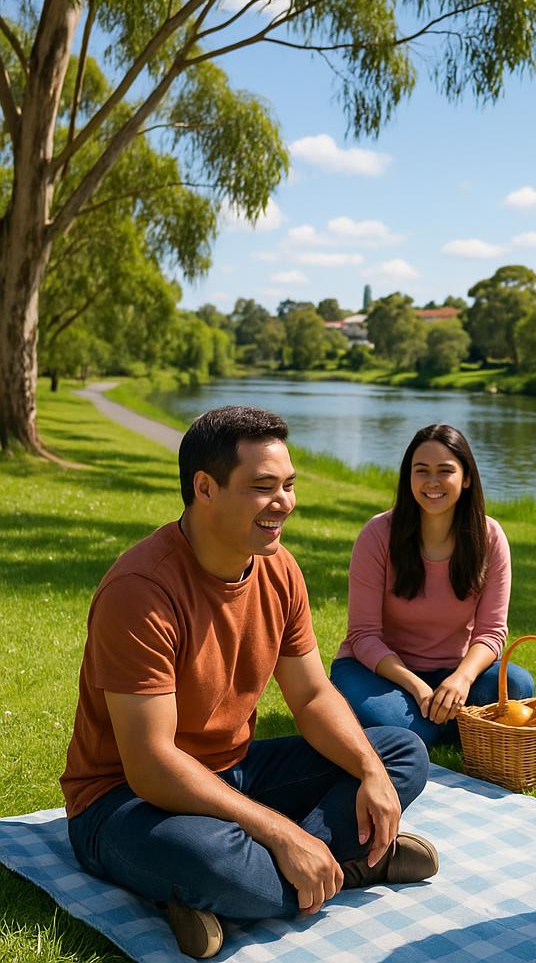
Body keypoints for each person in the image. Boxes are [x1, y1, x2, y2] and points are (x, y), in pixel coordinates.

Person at [60, 407, 438, 960]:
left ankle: (252, 885)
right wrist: (283, 834)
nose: (284, 502)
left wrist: (370, 772)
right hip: (122, 801)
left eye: (288, 485)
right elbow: (151, 765)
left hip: (233, 774)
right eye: (263, 487)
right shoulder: (140, 591)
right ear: (205, 488)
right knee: (217, 862)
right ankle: (335, 868)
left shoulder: (279, 569)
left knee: (400, 752)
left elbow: (310, 696)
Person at [331, 423, 534, 747]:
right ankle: (447, 725)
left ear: (466, 478)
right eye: (421, 470)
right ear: (408, 476)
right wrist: (415, 686)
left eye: (445, 471)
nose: (432, 482)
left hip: (453, 671)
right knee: (414, 733)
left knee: (518, 684)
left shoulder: (490, 537)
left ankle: (444, 718)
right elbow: (363, 635)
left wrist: (461, 680)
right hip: (376, 671)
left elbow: (492, 633)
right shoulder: (378, 534)